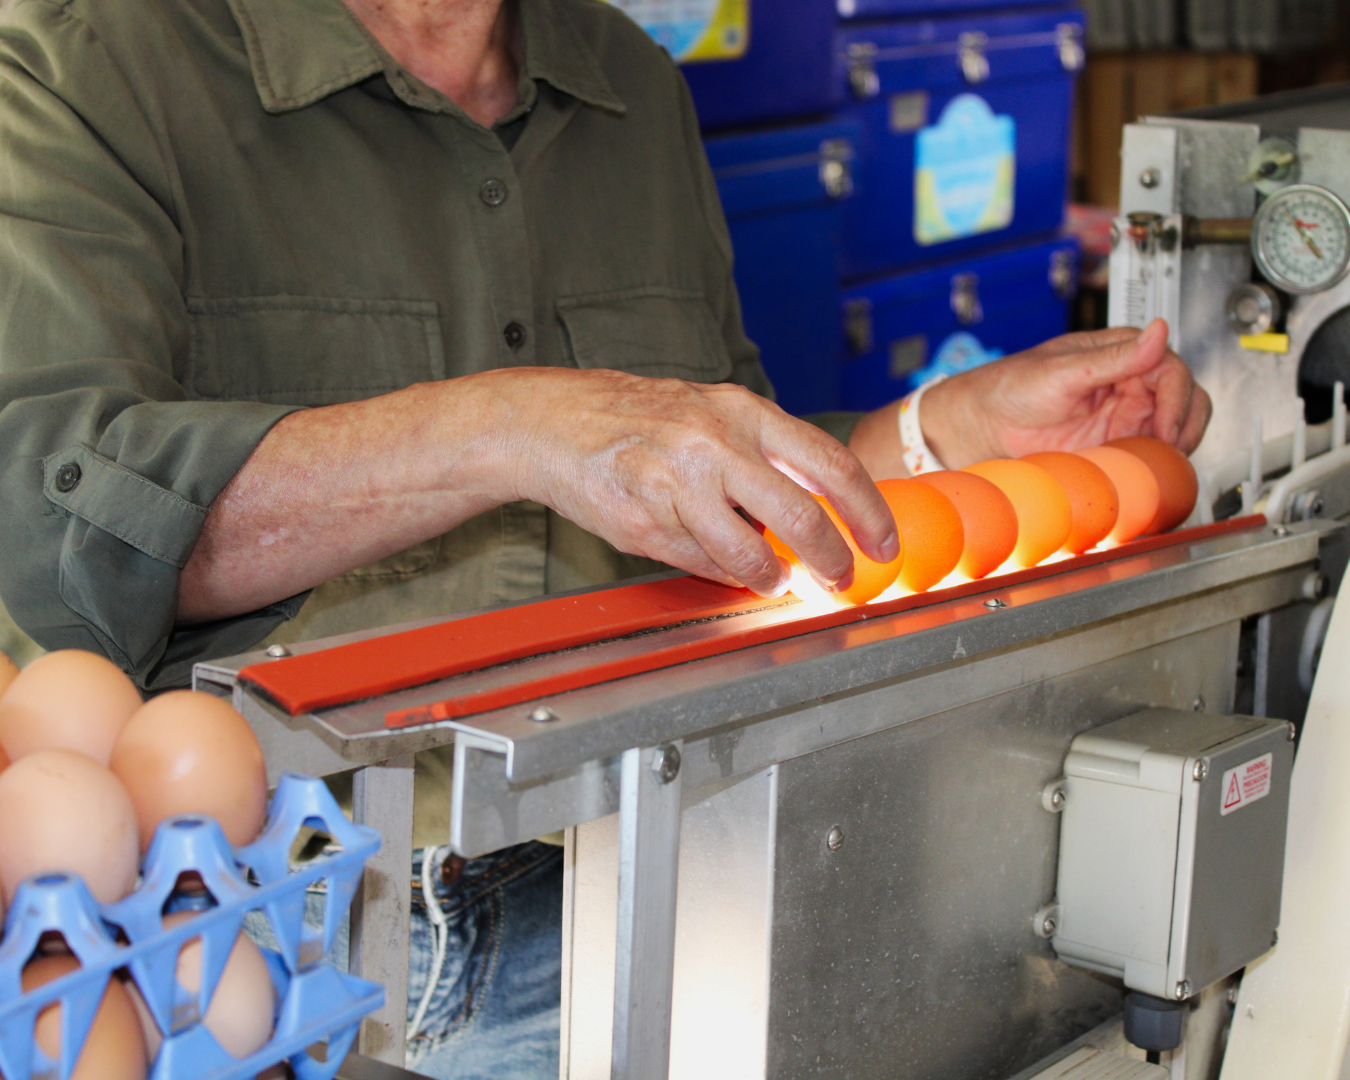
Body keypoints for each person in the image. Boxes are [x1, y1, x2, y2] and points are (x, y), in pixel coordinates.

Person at [0, 0, 1211, 1073]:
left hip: (647, 886)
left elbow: (702, 481)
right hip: (283, 940)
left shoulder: (631, 83)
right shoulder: (89, 61)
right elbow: (47, 532)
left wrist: (944, 430)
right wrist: (501, 429)